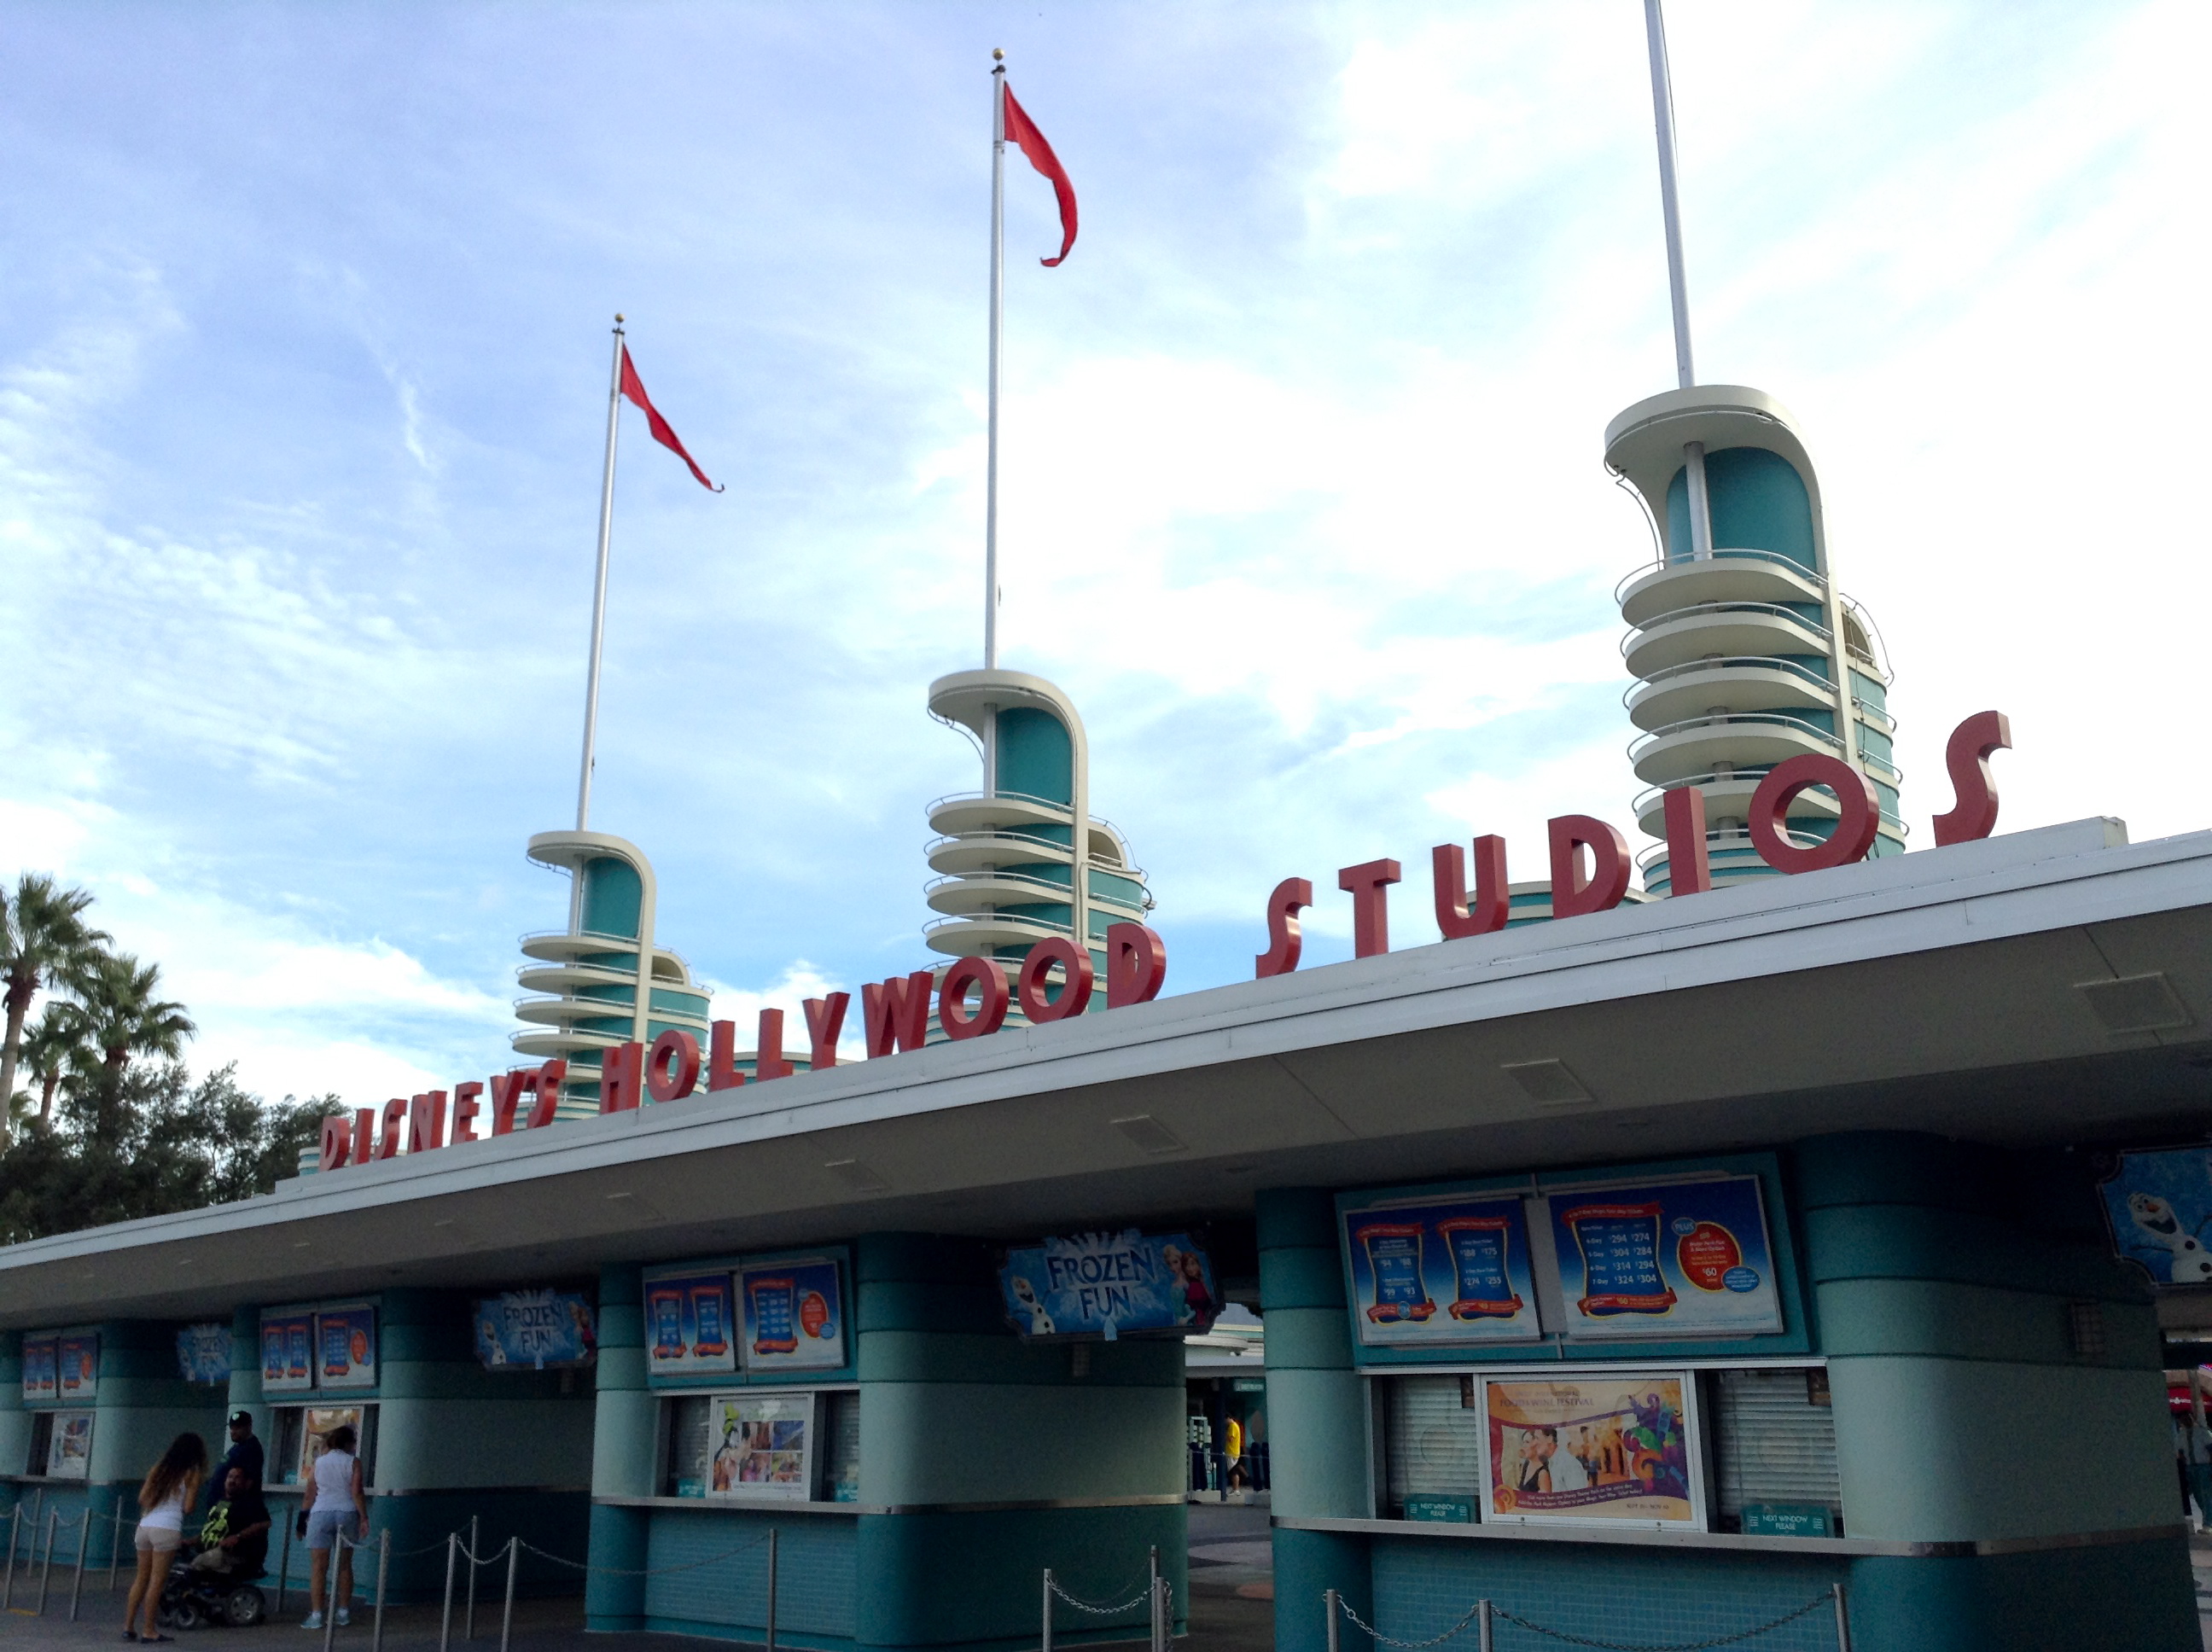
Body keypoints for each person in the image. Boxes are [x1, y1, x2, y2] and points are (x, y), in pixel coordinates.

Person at [124, 1431, 207, 1643]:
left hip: (145, 1526)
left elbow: (142, 1498)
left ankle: (128, 1627)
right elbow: (188, 1507)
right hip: (167, 1529)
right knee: (157, 1581)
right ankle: (149, 1630)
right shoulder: (192, 1473)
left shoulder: (158, 1469)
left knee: (141, 1578)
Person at [299, 1425, 369, 1631]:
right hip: (347, 1512)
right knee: (345, 1565)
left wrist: (301, 1520)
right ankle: (343, 1612)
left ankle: (317, 1614)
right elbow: (357, 1491)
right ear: (349, 1443)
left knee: (319, 1567)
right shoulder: (354, 1462)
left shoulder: (319, 1462)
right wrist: (364, 1517)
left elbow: (310, 1493)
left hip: (321, 1512)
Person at [189, 1466, 272, 1579]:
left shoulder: (250, 1503)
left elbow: (265, 1523)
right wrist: (191, 1541)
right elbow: (211, 1528)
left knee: (197, 1564)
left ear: (247, 1483)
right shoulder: (220, 1502)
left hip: (233, 1555)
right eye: (230, 1477)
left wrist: (238, 1536)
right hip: (210, 1551)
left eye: (237, 1478)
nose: (232, 1480)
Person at [202, 1412, 264, 1514]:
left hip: (230, 1507)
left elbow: (249, 1482)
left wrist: (229, 1506)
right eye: (232, 1428)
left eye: (238, 1428)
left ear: (249, 1427)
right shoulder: (239, 1446)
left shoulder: (251, 1448)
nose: (233, 1431)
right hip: (220, 1503)